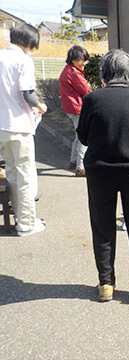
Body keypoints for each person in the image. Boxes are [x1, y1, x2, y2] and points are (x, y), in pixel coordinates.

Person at [77, 49, 129, 304]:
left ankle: (106, 285)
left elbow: (83, 137)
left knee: (103, 226)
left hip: (100, 171)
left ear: (104, 73)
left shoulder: (91, 100)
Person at [0, 23, 47, 236]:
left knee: (11, 173)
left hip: (1, 126)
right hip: (18, 126)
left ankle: (20, 218)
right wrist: (40, 106)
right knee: (25, 177)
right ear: (28, 42)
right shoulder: (23, 60)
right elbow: (28, 94)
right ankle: (26, 224)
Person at [59, 45, 91, 177]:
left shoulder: (67, 70)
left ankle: (73, 161)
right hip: (77, 108)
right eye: (80, 60)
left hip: (71, 108)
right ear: (72, 59)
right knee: (84, 138)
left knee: (78, 136)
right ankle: (81, 167)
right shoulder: (74, 73)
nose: (83, 63)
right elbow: (86, 91)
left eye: (84, 60)